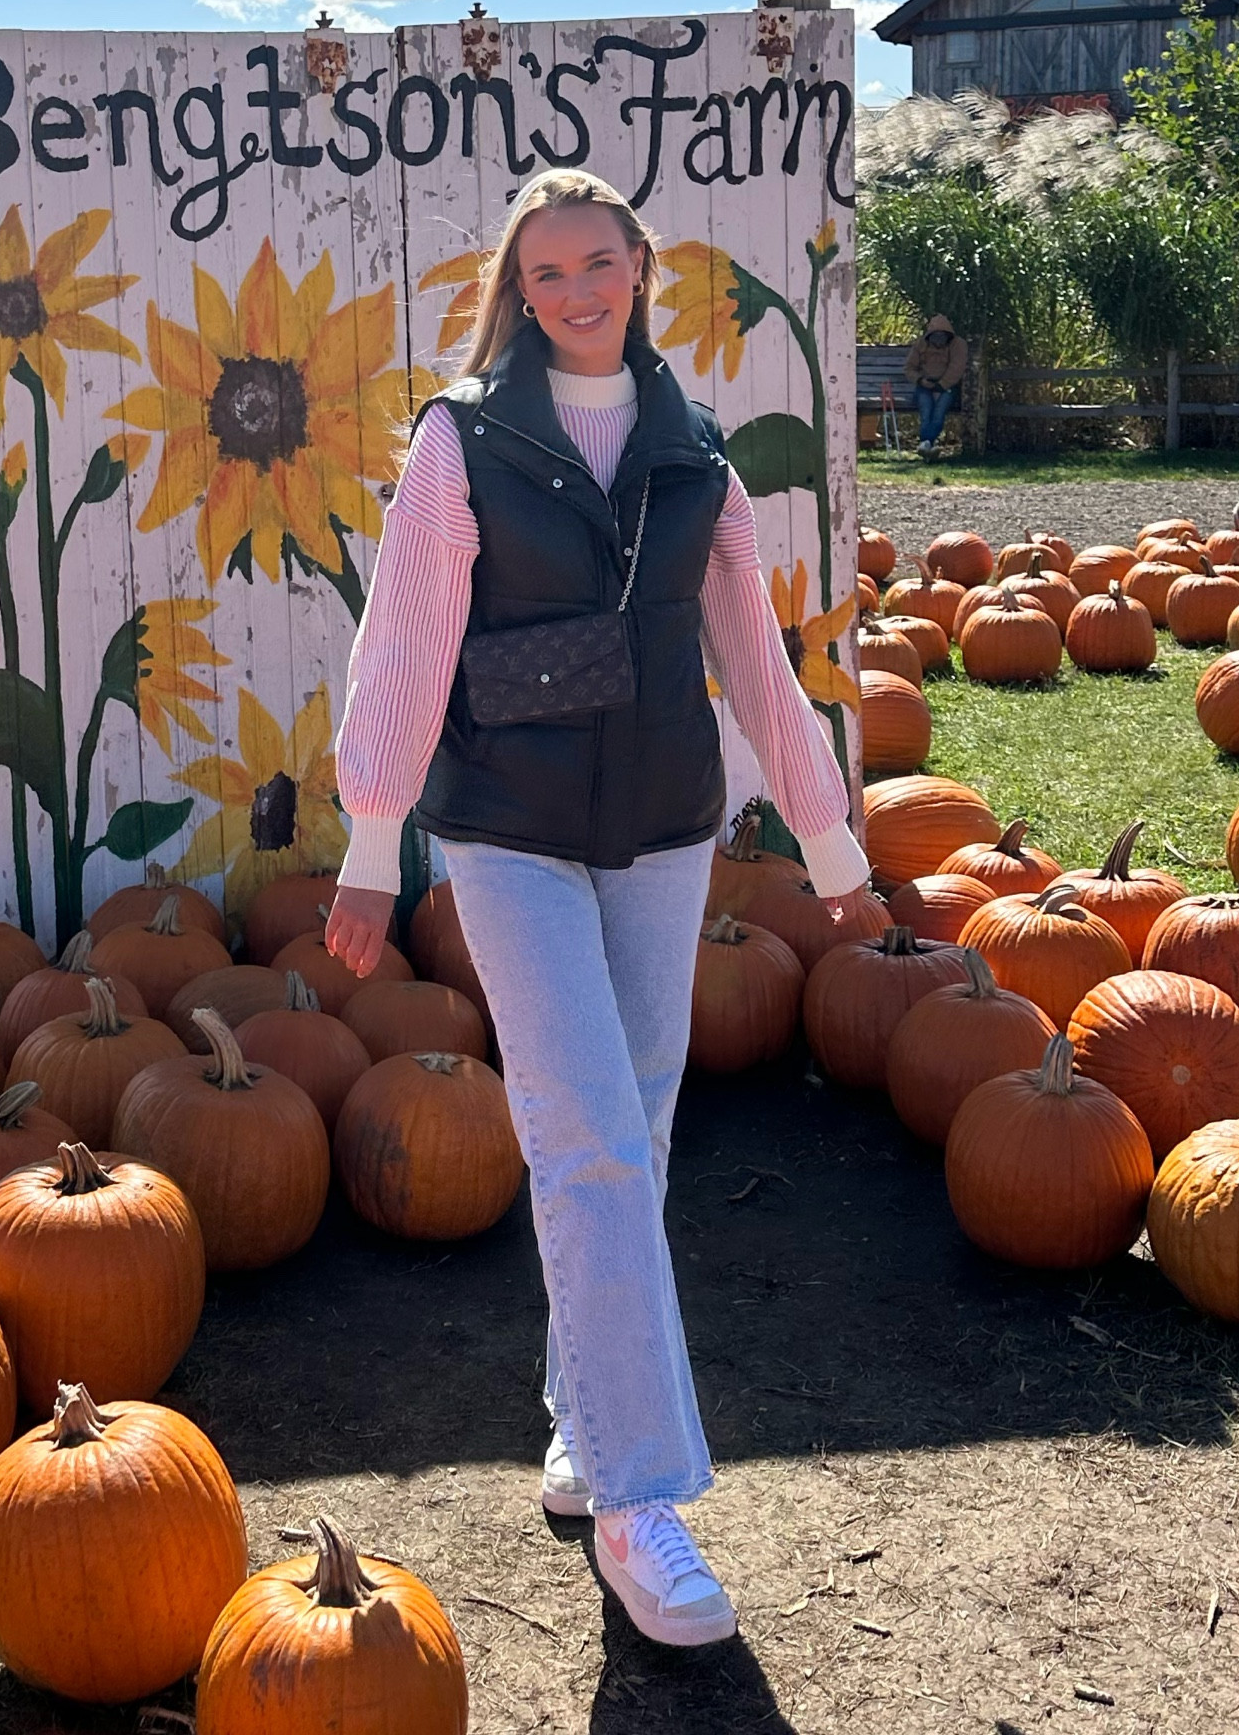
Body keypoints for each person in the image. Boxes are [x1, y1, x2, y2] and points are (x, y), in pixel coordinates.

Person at [325, 170, 869, 1650]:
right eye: (548, 270)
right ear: (520, 283)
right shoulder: (463, 439)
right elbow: (408, 646)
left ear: (641, 270)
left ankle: (582, 1420)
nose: (577, 291)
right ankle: (641, 1500)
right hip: (506, 832)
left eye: (601, 264)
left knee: (633, 1129)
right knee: (586, 1134)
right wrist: (373, 850)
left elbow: (754, 657)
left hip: (662, 830)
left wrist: (830, 844)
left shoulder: (695, 455)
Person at [903, 314, 968, 456]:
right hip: (924, 385)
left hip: (948, 387)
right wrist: (921, 381)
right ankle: (928, 445)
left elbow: (956, 368)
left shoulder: (958, 345)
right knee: (926, 412)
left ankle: (926, 443)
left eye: (942, 336)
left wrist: (942, 385)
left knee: (939, 413)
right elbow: (909, 368)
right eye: (935, 336)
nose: (938, 340)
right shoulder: (921, 344)